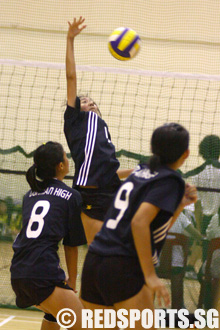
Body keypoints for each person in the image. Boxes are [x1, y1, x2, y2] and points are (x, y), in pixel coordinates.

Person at [80, 123, 197, 330]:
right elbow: (139, 222)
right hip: (122, 266)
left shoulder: (141, 171)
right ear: (186, 153)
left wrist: (179, 206)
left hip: (94, 262)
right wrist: (151, 275)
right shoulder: (171, 179)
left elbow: (153, 226)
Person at [64, 17, 133, 245]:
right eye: (84, 101)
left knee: (121, 241)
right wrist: (70, 39)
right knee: (98, 247)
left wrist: (135, 170)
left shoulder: (103, 129)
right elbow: (71, 77)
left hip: (110, 189)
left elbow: (105, 167)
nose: (90, 102)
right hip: (90, 193)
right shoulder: (76, 121)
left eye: (92, 101)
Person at [10, 142, 86, 330]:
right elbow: (70, 245)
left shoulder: (30, 194)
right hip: (42, 273)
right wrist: (72, 282)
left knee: (54, 315)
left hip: (19, 272)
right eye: (66, 157)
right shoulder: (71, 196)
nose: (68, 160)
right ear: (61, 166)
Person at [190, 135, 220, 263]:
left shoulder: (197, 174)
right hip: (217, 218)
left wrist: (198, 229)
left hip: (206, 221)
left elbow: (197, 205)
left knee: (206, 261)